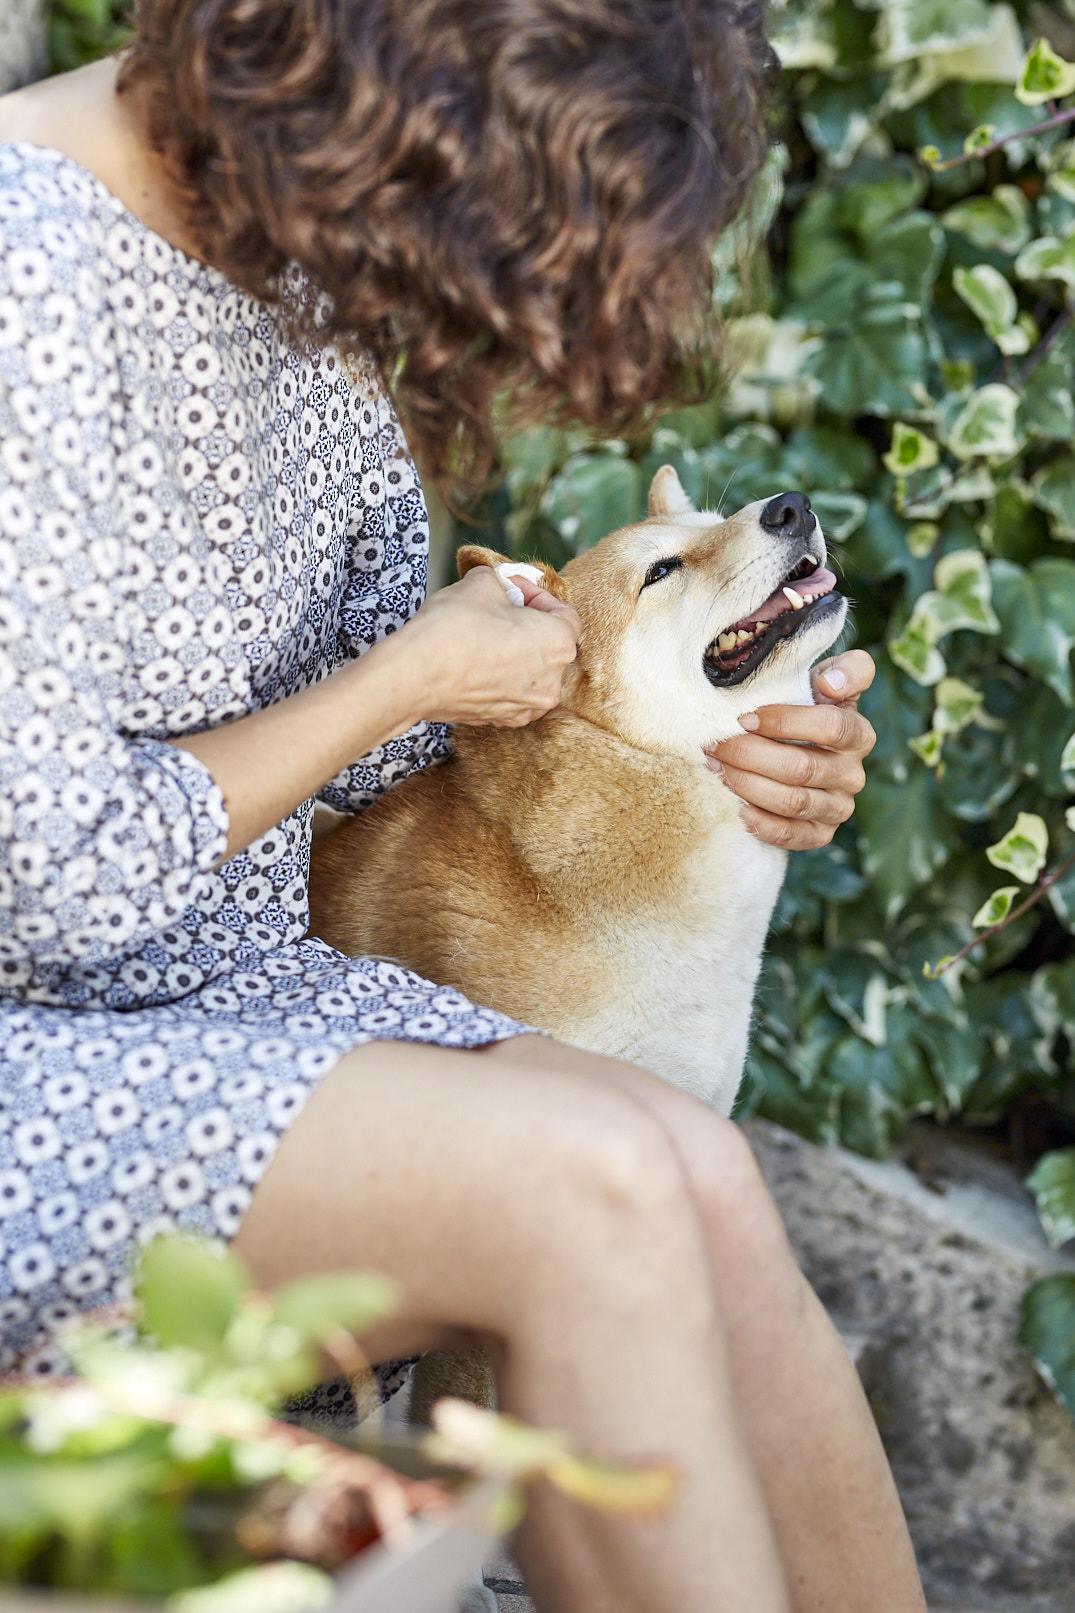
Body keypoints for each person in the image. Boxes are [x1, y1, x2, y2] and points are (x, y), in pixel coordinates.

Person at [0, 5, 915, 1609]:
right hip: (43, 1051)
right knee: (595, 1183)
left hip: (231, 1002)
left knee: (691, 1163)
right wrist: (411, 679)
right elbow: (53, 878)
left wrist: (715, 756)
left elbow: (354, 745)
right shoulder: (28, 286)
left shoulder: (293, 261)